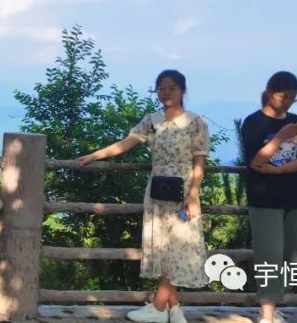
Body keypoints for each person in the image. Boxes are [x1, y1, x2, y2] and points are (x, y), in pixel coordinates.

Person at [78, 70, 209, 323]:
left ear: (182, 91)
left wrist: (193, 195)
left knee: (179, 247)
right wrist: (95, 155)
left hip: (183, 192)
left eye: (172, 87)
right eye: (161, 88)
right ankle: (174, 309)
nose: (166, 92)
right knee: (162, 246)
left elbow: (199, 161)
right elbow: (126, 143)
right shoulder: (152, 120)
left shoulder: (196, 122)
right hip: (157, 191)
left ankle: (158, 307)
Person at [240, 71, 297, 323]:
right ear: (270, 92)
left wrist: (278, 170)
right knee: (269, 254)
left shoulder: (296, 122)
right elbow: (256, 160)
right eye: (284, 97)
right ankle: (267, 312)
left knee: (291, 255)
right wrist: (282, 136)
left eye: (293, 98)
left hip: (295, 196)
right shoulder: (253, 122)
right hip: (264, 198)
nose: (288, 102)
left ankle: (274, 304)